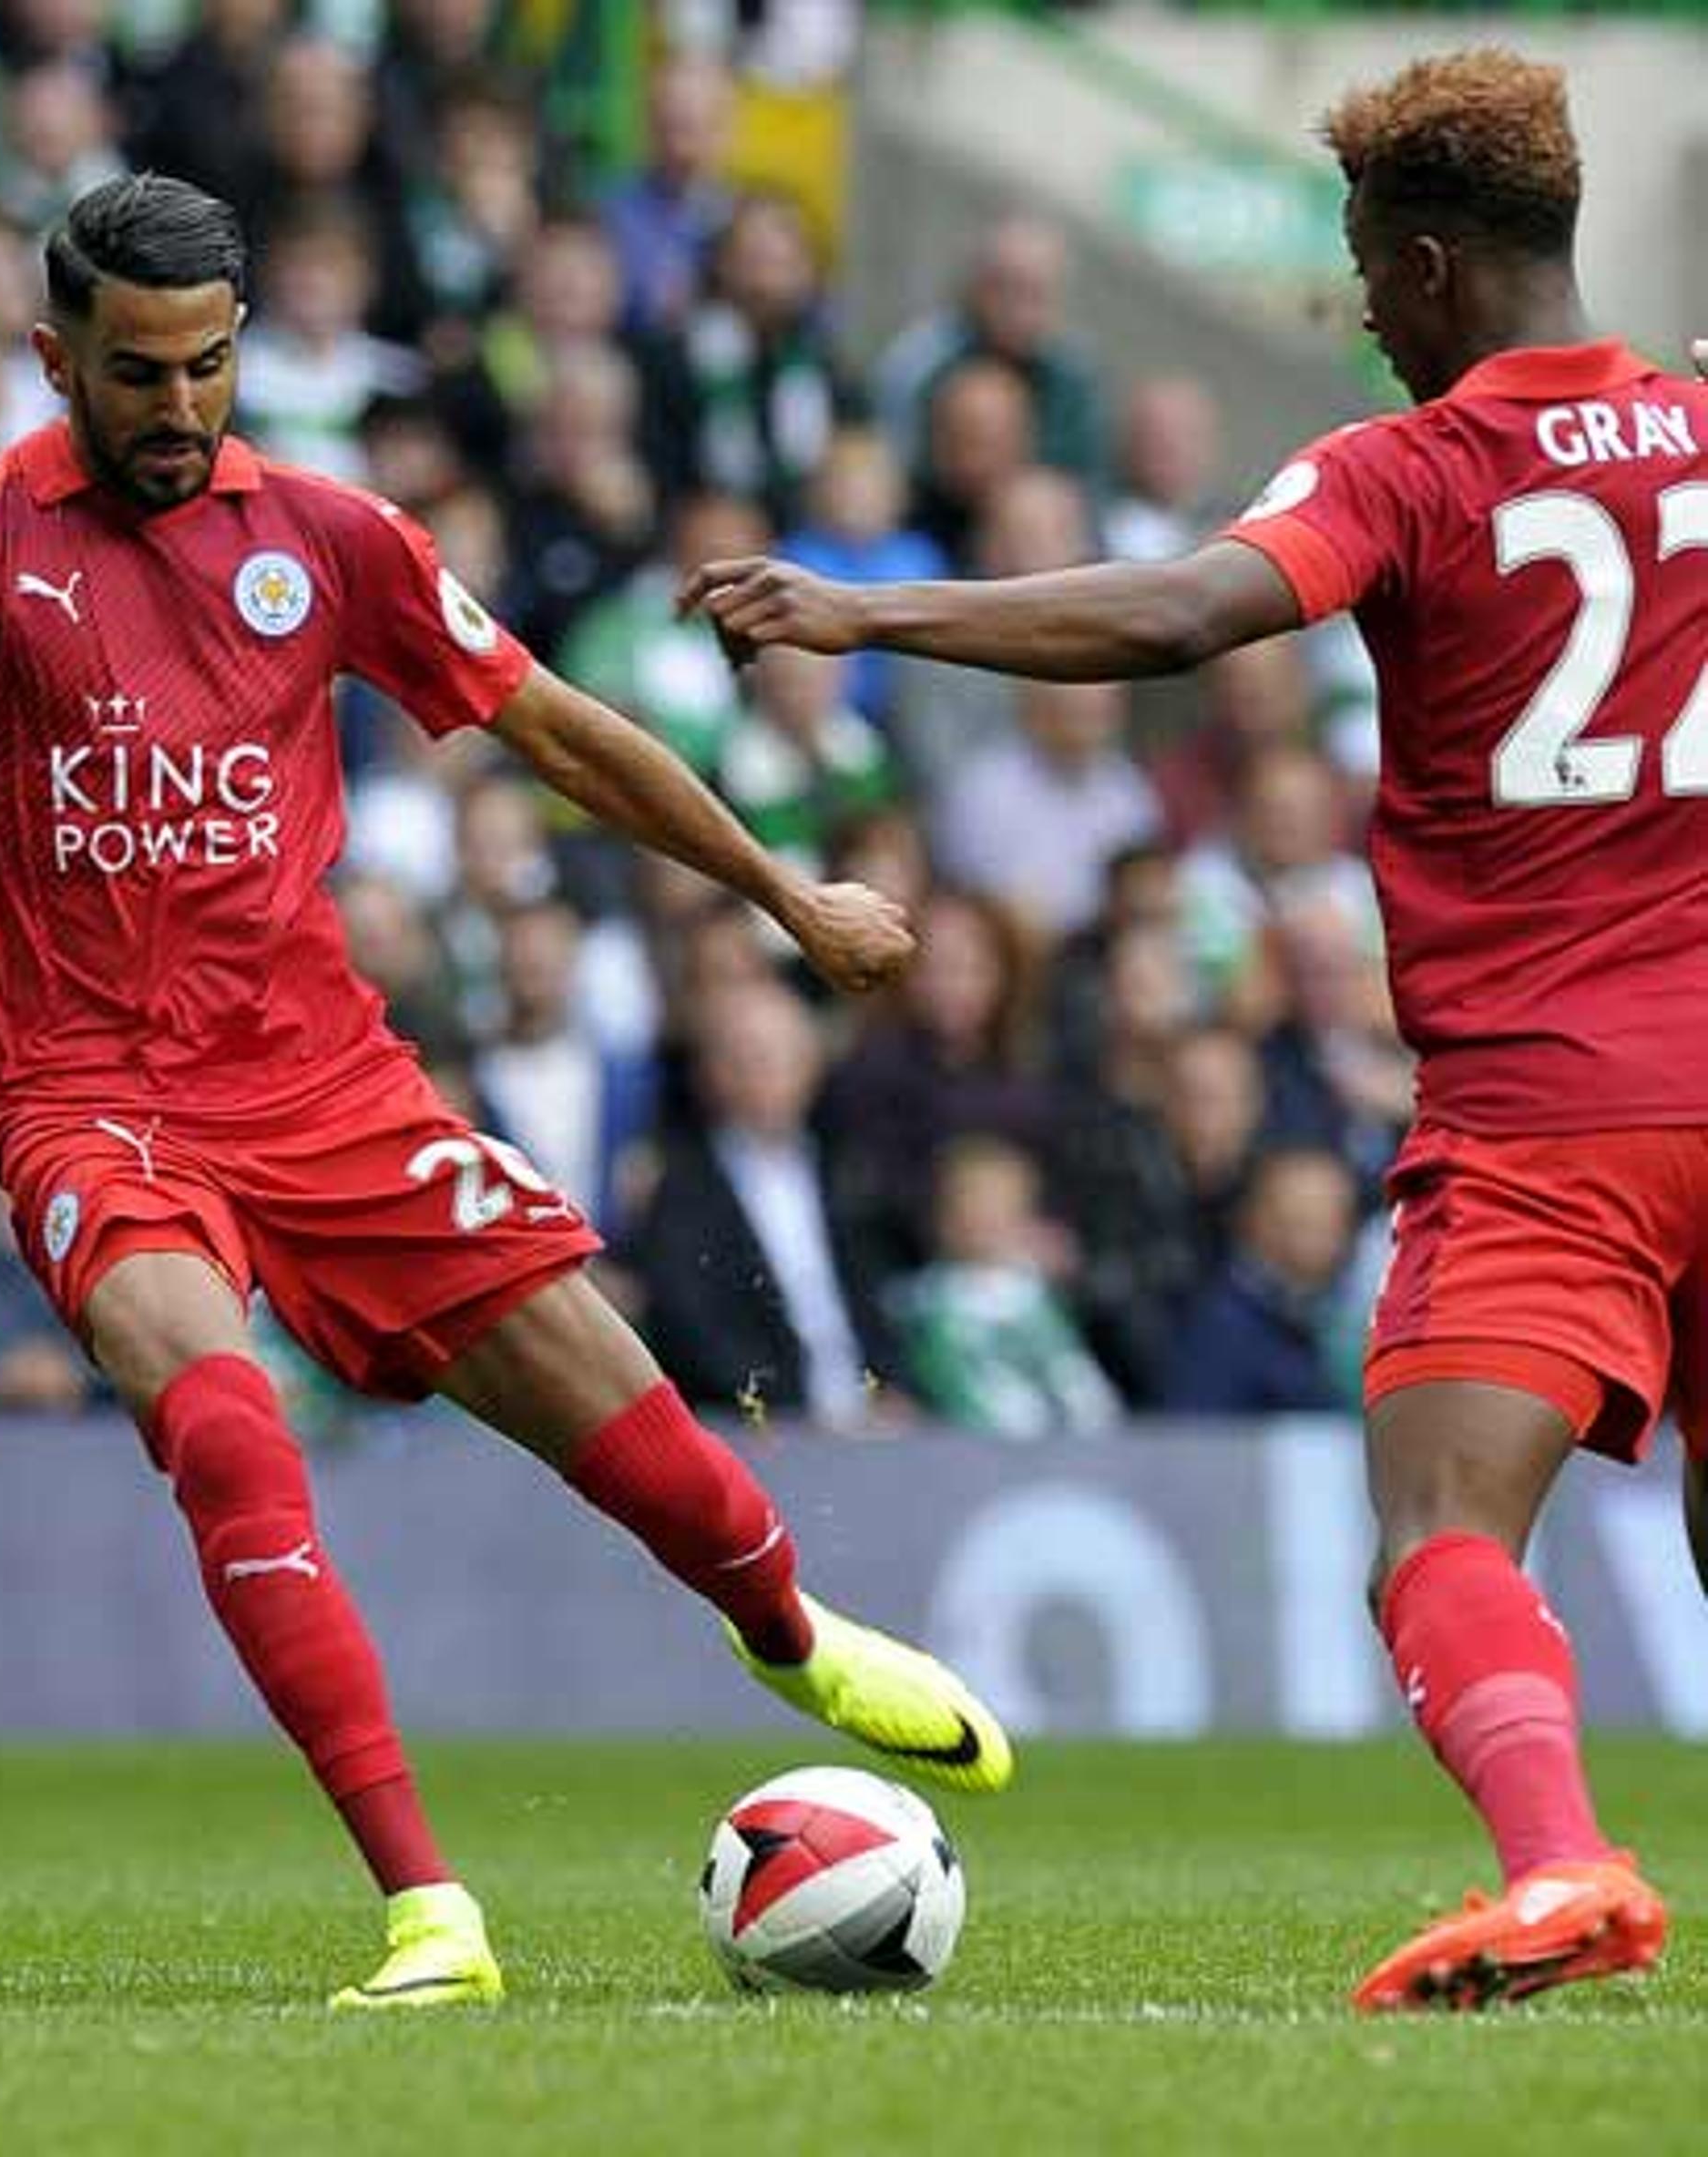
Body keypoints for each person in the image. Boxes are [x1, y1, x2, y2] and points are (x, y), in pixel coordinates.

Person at [0, 174, 1012, 2014]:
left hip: (325, 1081)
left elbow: (552, 725)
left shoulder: (330, 533)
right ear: (55, 356)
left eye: (209, 366)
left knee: (630, 1429)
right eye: (137, 373)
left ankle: (787, 1630)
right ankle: (429, 1908)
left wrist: (782, 889)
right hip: (92, 1099)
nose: (177, 407)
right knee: (225, 1430)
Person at [687, 50, 1699, 2011]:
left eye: (1363, 276)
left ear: (1424, 265)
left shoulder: (1413, 467)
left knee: (1437, 1525)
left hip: (1553, 1108)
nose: (1365, 320)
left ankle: (1565, 1859)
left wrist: (870, 614)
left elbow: (1176, 616)